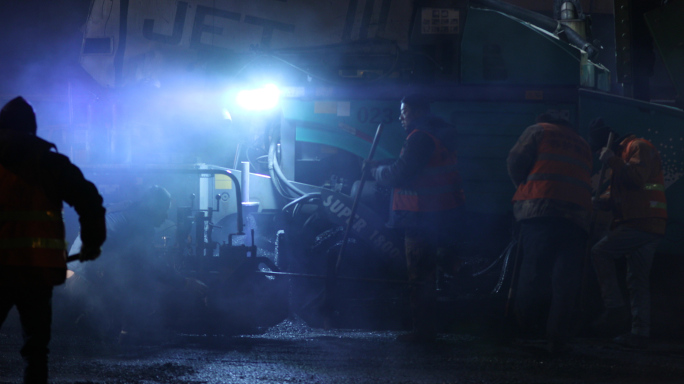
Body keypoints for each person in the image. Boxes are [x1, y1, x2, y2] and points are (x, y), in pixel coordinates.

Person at [0, 96, 106, 384]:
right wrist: (92, 242)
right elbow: (89, 200)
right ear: (32, 128)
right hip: (37, 271)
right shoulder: (48, 162)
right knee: (36, 352)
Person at [369, 94, 465, 342]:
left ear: (417, 111)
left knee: (420, 274)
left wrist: (376, 172)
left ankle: (423, 332)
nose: (401, 116)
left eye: (405, 111)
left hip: (420, 217)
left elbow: (402, 173)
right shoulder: (436, 133)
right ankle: (442, 325)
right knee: (435, 271)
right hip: (440, 214)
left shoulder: (420, 136)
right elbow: (415, 165)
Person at [68, 185, 207, 343]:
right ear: (153, 207)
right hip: (86, 280)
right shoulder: (139, 225)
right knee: (139, 282)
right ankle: (119, 333)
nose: (166, 215)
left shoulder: (124, 213)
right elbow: (151, 264)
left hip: (71, 273)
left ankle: (95, 327)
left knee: (127, 275)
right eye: (164, 209)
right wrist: (185, 282)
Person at [507, 112, 592, 353]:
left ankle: (526, 331)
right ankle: (558, 337)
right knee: (565, 280)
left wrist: (523, 187)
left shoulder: (538, 130)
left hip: (541, 209)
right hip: (577, 217)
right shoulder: (582, 143)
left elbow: (515, 160)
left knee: (533, 272)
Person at [588, 117, 667, 349]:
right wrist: (599, 201)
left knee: (600, 252)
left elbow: (636, 179)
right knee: (637, 281)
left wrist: (612, 160)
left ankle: (614, 308)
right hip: (646, 225)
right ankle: (640, 332)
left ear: (607, 144)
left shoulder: (639, 146)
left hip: (641, 223)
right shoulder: (623, 157)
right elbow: (620, 193)